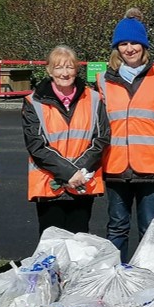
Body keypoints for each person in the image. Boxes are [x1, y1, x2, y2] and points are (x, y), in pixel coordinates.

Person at [97, 10, 154, 261]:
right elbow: (99, 124)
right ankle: (117, 274)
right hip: (116, 166)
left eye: (134, 43)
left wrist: (152, 144)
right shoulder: (103, 81)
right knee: (117, 227)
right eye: (123, 43)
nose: (129, 48)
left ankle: (148, 275)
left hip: (152, 167)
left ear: (144, 46)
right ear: (117, 48)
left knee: (150, 230)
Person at [22, 46, 110, 235]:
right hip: (49, 183)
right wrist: (69, 173)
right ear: (49, 70)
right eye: (59, 67)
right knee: (52, 243)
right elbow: (36, 144)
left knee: (79, 240)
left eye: (69, 67)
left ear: (76, 69)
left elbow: (101, 138)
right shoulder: (33, 102)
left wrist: (78, 172)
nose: (64, 73)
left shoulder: (94, 99)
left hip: (82, 182)